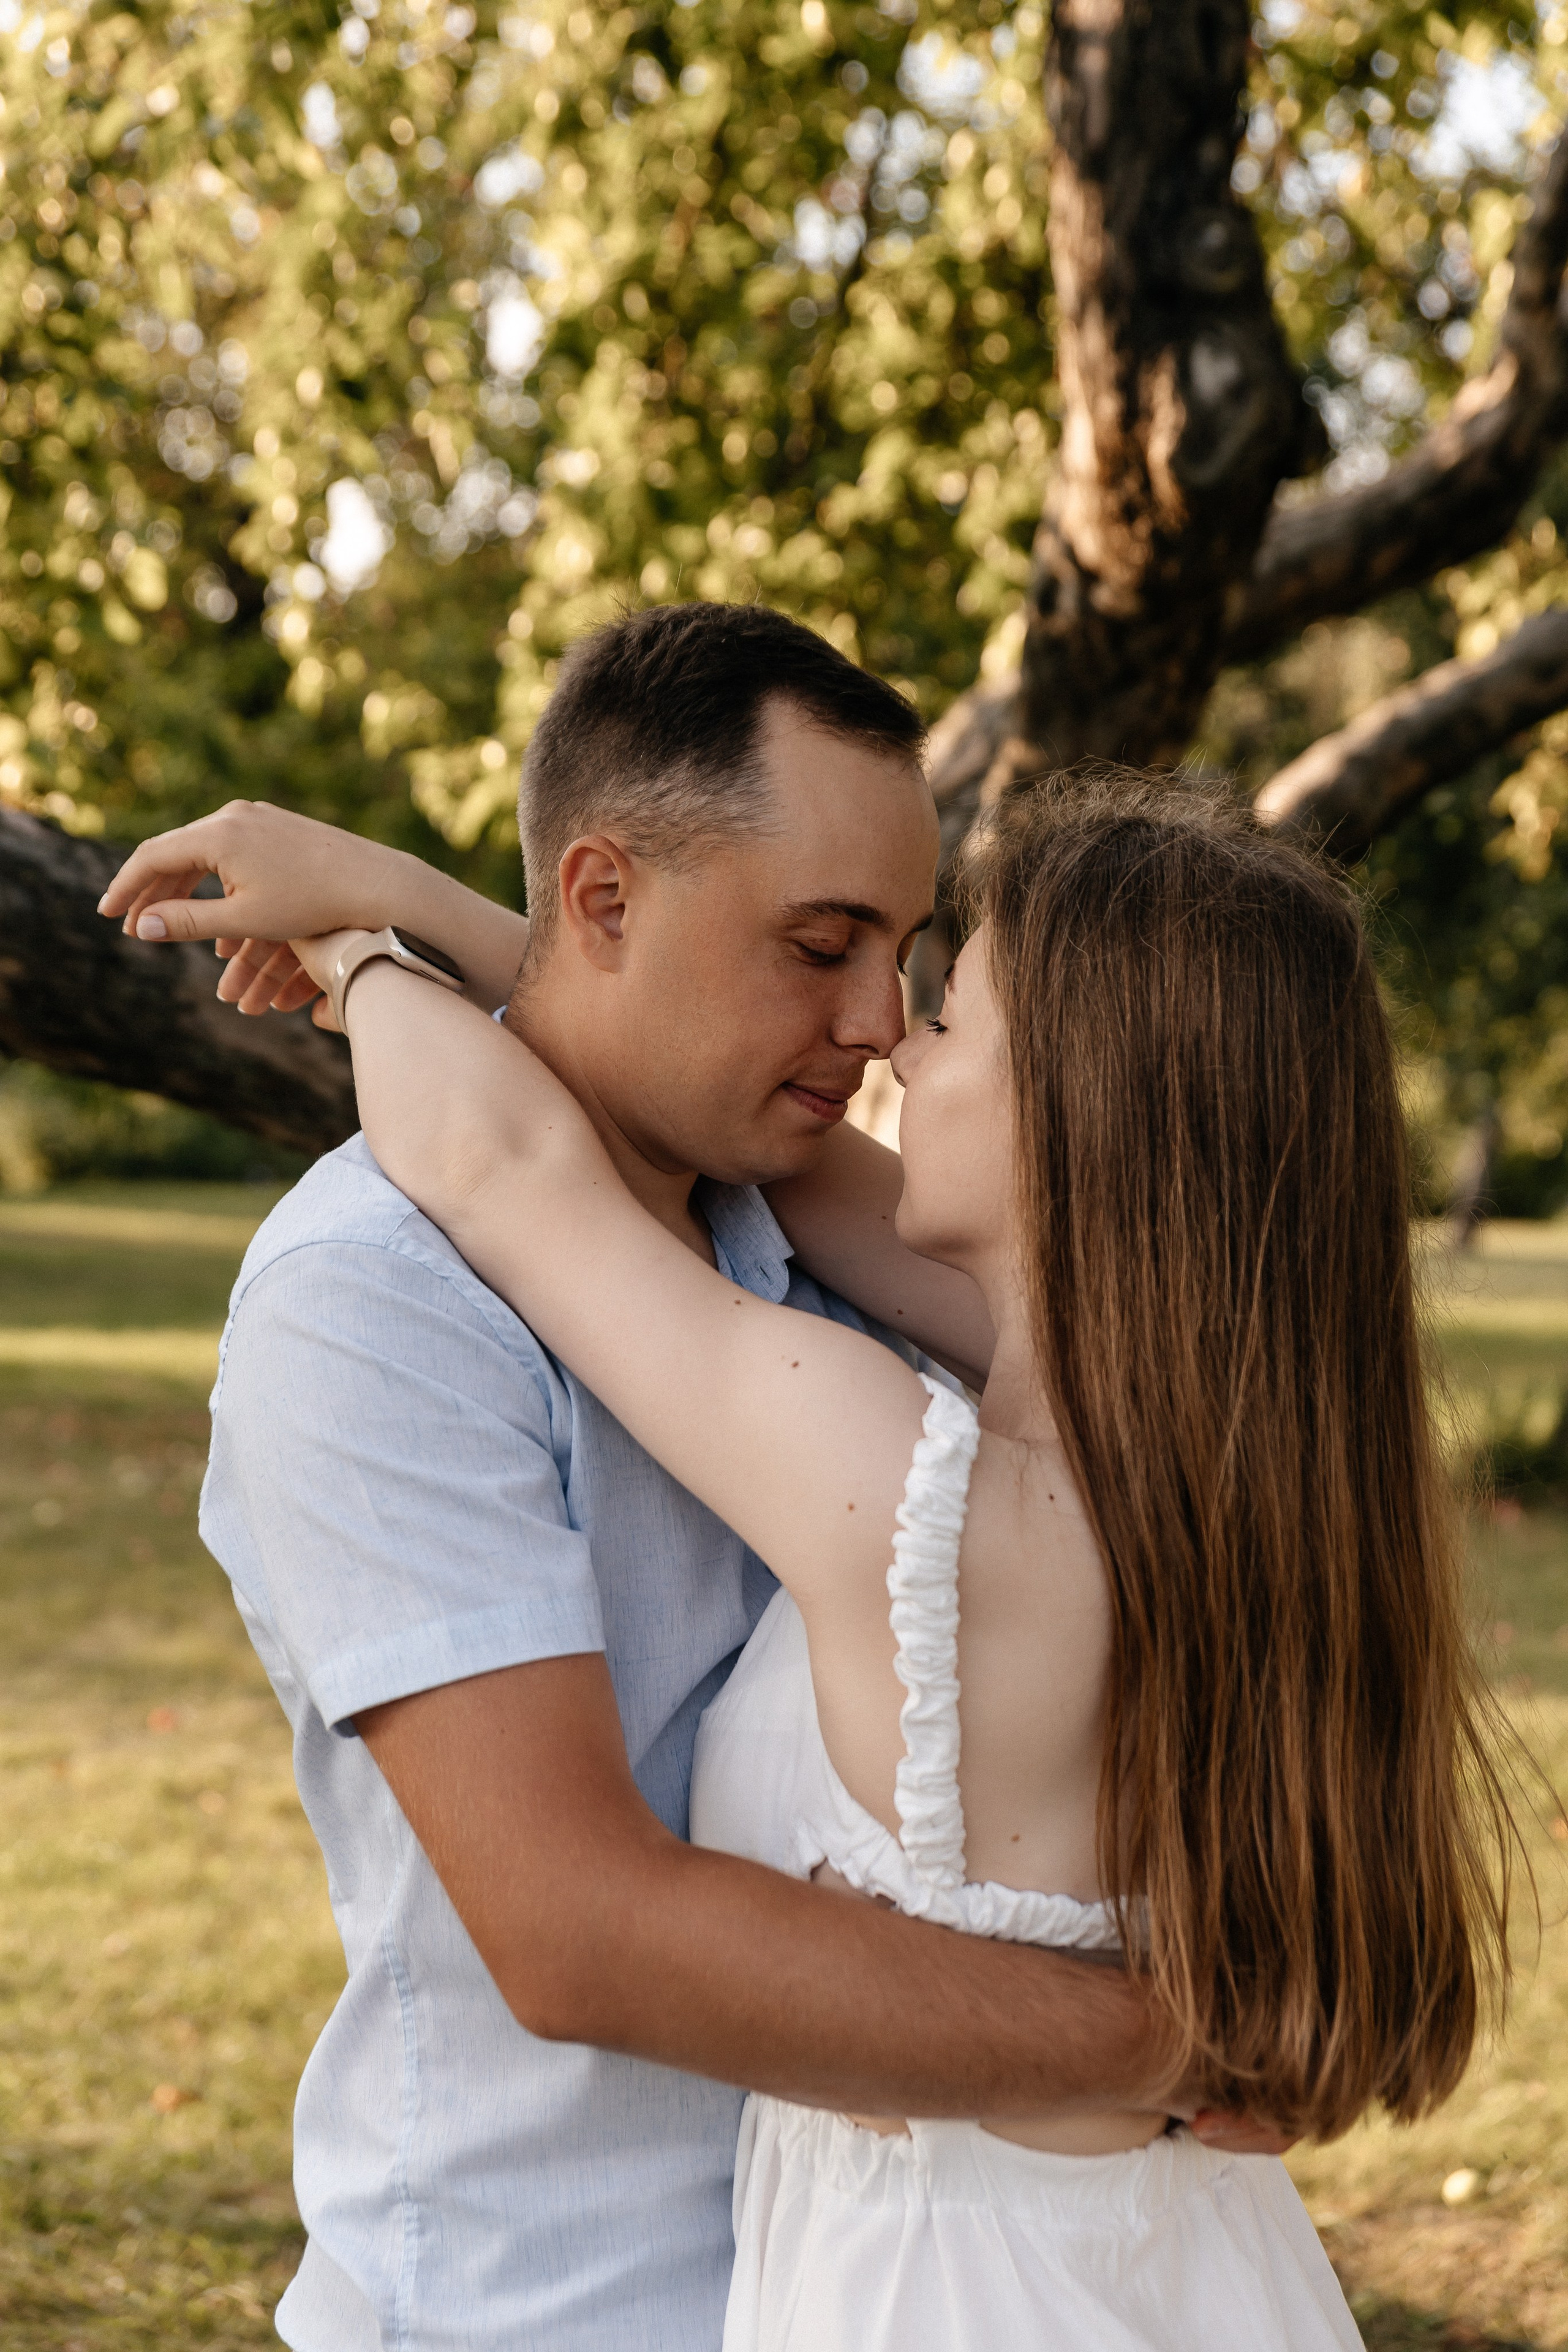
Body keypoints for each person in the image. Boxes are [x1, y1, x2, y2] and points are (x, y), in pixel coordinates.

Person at [100, 606, 1270, 2352]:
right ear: (601, 901)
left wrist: (387, 927)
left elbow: (559, 1104)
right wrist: (1162, 2040)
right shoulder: (376, 1302)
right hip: (548, 2309)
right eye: (824, 944)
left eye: (915, 961)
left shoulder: (832, 1250)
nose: (883, 1026)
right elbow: (579, 1933)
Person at [264, 766, 1512, 2350]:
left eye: (956, 1023)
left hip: (951, 2293)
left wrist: (358, 950)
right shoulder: (1235, 1470)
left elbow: (502, 1167)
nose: (889, 1045)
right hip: (1186, 2266)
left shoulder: (911, 1493)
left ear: (1077, 1111)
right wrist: (464, 913)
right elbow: (762, 1139)